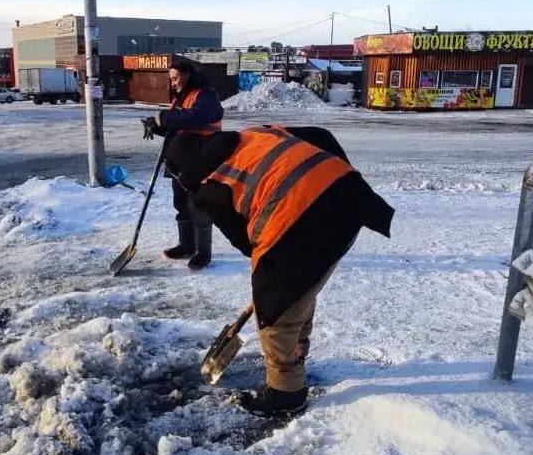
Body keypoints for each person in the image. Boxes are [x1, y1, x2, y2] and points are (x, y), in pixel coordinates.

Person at [166, 124, 394, 416]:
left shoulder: (209, 186)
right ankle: (296, 356)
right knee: (300, 287)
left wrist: (269, 281)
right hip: (351, 201)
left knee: (276, 309)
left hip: (303, 220)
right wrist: (338, 176)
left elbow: (245, 240)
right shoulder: (255, 134)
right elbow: (320, 136)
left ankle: (286, 392)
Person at [143, 58, 224, 270]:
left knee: (197, 203)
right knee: (180, 202)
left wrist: (167, 117)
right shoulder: (181, 98)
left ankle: (203, 252)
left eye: (175, 78)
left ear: (188, 75)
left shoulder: (206, 94)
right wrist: (156, 126)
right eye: (171, 79)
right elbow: (177, 126)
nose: (173, 83)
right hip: (179, 159)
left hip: (201, 157)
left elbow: (197, 118)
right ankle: (186, 245)